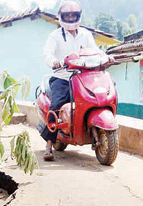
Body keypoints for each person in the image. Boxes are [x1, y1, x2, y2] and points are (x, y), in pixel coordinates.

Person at [41, 0, 99, 161]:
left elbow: (95, 51)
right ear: (61, 16)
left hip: (82, 77)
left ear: (79, 16)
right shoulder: (55, 35)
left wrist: (105, 57)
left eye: (74, 15)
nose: (71, 18)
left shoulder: (85, 34)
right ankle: (49, 144)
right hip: (62, 77)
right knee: (56, 106)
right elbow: (47, 53)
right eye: (68, 15)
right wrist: (54, 62)